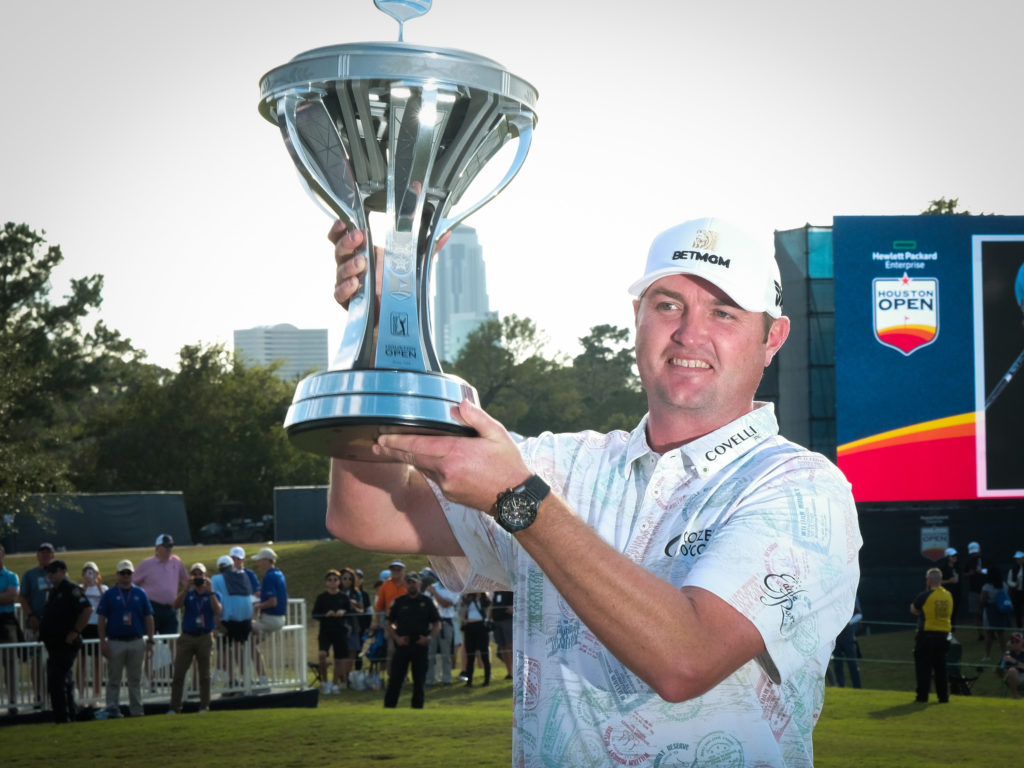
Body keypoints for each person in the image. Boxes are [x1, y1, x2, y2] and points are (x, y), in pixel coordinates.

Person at [325, 217, 862, 765]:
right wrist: (379, 323)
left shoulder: (801, 489)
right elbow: (366, 514)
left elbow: (687, 661)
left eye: (723, 313)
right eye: (667, 304)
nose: (688, 334)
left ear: (772, 338)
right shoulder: (562, 465)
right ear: (637, 317)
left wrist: (518, 499)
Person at [97, 559, 156, 718]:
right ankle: (112, 709)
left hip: (136, 641)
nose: (125, 575)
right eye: (122, 573)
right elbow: (101, 618)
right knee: (114, 678)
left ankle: (137, 711)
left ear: (132, 574)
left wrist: (150, 640)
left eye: (128, 573)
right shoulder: (110, 594)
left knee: (135, 679)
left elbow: (149, 617)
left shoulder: (140, 593)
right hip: (115, 641)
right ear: (117, 574)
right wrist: (103, 641)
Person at [38, 559, 92, 723]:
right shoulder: (54, 591)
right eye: (49, 572)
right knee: (64, 681)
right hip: (54, 644)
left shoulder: (71, 589)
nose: (51, 575)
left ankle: (63, 717)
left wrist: (75, 631)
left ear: (63, 571)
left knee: (57, 681)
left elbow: (87, 609)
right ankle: (70, 715)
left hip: (65, 644)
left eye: (54, 572)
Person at [168, 562, 221, 714]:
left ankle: (204, 705)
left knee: (204, 674)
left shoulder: (212, 594)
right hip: (187, 636)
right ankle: (174, 707)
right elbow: (176, 605)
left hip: (204, 636)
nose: (198, 577)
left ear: (205, 577)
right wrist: (185, 589)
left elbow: (217, 611)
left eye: (200, 574)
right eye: (195, 574)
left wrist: (210, 591)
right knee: (179, 673)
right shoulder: (189, 594)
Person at [383, 572, 440, 709]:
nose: (411, 585)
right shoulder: (399, 602)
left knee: (419, 679)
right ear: (406, 584)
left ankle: (417, 708)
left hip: (420, 644)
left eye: (414, 582)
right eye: (409, 582)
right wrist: (397, 638)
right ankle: (389, 707)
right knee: (395, 678)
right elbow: (389, 623)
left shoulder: (427, 602)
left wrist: (429, 638)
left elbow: (437, 623)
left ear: (419, 584)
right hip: (403, 644)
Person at [18, 541, 55, 704]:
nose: (45, 555)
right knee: (36, 661)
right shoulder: (30, 575)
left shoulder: (58, 573)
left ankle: (53, 694)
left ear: (52, 555)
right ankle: (38, 694)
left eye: (48, 552)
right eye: (42, 552)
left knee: (54, 660)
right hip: (34, 624)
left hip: (54, 624)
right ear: (38, 555)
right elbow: (22, 597)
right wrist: (31, 615)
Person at [910, 567, 953, 704]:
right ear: (940, 580)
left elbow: (914, 610)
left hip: (926, 636)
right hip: (944, 636)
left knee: (924, 668)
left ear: (929, 580)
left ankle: (922, 696)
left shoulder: (924, 596)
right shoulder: (948, 596)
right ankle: (943, 697)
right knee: (941, 668)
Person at [211, 554, 254, 690]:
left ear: (219, 568)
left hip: (228, 620)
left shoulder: (216, 578)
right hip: (246, 619)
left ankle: (231, 681)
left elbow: (215, 602)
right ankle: (246, 678)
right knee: (238, 648)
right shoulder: (244, 575)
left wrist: (215, 624)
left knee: (223, 650)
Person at [132, 534, 189, 635]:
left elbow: (186, 581)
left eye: (170, 546)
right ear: (157, 548)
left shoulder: (176, 561)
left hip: (171, 609)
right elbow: (132, 584)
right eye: (166, 546)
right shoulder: (146, 564)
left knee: (172, 641)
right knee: (148, 639)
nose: (169, 549)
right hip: (152, 608)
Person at [252, 547, 288, 686]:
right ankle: (263, 679)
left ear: (267, 561)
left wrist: (257, 606)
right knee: (251, 646)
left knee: (243, 636)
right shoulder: (279, 574)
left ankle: (259, 679)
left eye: (260, 561)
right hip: (279, 619)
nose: (258, 564)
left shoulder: (268, 576)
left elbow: (272, 602)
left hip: (270, 620)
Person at [312, 569, 352, 693]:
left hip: (340, 630)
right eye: (330, 580)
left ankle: (335, 683)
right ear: (326, 582)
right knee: (322, 655)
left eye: (335, 579)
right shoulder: (322, 597)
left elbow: (350, 612)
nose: (333, 582)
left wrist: (343, 612)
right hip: (325, 631)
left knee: (339, 659)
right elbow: (314, 614)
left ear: (339, 582)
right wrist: (326, 614)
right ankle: (325, 682)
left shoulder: (343, 597)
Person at [78, 561, 107, 704]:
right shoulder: (79, 589)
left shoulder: (104, 588)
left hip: (97, 626)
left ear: (97, 574)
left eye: (92, 572)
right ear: (83, 574)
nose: (90, 574)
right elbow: (77, 603)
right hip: (84, 626)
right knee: (81, 661)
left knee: (97, 662)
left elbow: (107, 602)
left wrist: (99, 587)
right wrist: (84, 587)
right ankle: (81, 694)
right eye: (87, 571)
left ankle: (96, 694)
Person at [423, 568, 458, 686]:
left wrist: (435, 593)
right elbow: (426, 603)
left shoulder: (453, 588)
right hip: (432, 623)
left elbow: (446, 604)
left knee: (446, 654)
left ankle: (446, 679)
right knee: (430, 654)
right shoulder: (433, 586)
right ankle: (429, 679)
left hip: (446, 622)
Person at [0, 544, 20, 714]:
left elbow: (11, 597)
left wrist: (5, 597)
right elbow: (5, 596)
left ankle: (12, 701)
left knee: (10, 661)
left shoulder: (11, 576)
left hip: (6, 620)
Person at [460, 592, 491, 687]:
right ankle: (469, 681)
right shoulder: (468, 599)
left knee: (484, 654)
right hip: (469, 627)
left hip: (481, 627)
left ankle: (487, 679)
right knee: (470, 656)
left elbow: (488, 606)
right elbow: (462, 608)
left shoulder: (484, 599)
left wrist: (481, 595)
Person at [981, 567, 1011, 662]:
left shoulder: (987, 586)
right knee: (1001, 635)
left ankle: (987, 655)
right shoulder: (1004, 585)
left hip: (990, 611)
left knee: (989, 634)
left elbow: (983, 600)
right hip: (1001, 611)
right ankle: (1005, 654)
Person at [831, 597, 862, 689]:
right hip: (835, 640)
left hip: (848, 638)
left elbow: (859, 615)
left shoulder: (849, 599)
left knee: (853, 664)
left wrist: (849, 622)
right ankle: (841, 687)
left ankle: (857, 688)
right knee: (837, 665)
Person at [963, 541, 986, 640]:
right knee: (976, 614)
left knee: (986, 613)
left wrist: (982, 571)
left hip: (985, 590)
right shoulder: (968, 561)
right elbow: (963, 574)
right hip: (973, 591)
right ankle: (981, 634)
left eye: (975, 552)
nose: (974, 554)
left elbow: (992, 571)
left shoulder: (985, 560)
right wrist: (970, 573)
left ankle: (990, 633)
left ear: (979, 550)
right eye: (972, 553)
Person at [490, 589, 514, 681]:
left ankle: (515, 671)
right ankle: (509, 672)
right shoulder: (496, 591)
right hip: (497, 621)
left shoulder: (509, 589)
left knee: (510, 646)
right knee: (503, 647)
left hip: (507, 620)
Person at [939, 547, 960, 631]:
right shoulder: (941, 568)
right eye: (952, 556)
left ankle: (951, 633)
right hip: (945, 595)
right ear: (947, 557)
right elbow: (938, 582)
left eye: (955, 556)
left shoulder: (957, 567)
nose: (955, 557)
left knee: (953, 613)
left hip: (956, 594)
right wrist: (949, 581)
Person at [999, 631, 1024, 699]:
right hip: (1012, 676)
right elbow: (999, 669)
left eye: (1017, 641)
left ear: (1022, 642)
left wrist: (1013, 661)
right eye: (1012, 642)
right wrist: (1004, 668)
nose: (1014, 643)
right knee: (1012, 670)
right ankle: (1015, 695)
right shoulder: (1007, 654)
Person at [1008, 550, 1024, 630]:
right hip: (1017, 593)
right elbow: (1009, 581)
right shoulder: (1013, 569)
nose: (1018, 560)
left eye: (1020, 558)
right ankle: (1019, 627)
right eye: (1017, 559)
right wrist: (1015, 584)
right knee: (1018, 611)